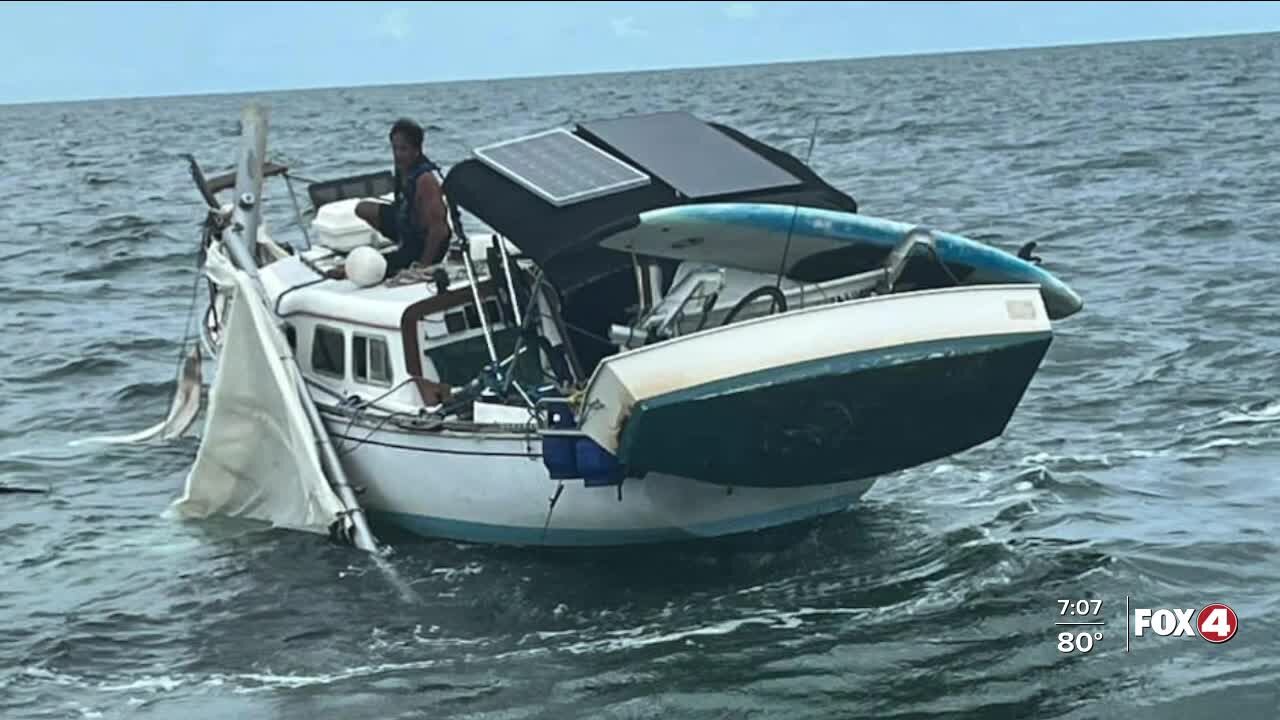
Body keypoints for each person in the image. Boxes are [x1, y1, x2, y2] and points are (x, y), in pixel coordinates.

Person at [327, 118, 452, 280]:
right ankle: (400, 244)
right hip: (408, 230)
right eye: (395, 149)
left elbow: (440, 230)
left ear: (417, 150)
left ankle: (349, 270)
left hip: (424, 245)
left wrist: (423, 266)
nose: (398, 155)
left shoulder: (425, 180)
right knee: (363, 208)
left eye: (403, 149)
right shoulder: (403, 170)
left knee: (370, 269)